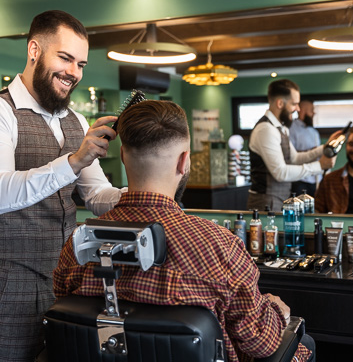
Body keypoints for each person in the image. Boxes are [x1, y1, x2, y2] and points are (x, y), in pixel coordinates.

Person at [53, 100, 314, 362]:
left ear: (122, 158)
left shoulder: (78, 246)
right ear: (184, 161)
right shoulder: (218, 246)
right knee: (303, 345)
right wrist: (276, 311)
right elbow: (262, 344)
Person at [0, 10, 125, 362]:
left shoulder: (76, 120)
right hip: (10, 278)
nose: (74, 73)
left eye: (81, 64)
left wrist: (138, 197)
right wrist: (73, 162)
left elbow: (96, 194)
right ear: (34, 49)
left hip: (70, 276)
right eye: (65, 58)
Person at [248, 79, 338, 211]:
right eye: (294, 104)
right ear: (280, 103)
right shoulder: (266, 129)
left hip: (279, 198)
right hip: (265, 201)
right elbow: (280, 172)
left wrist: (323, 148)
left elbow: (295, 159)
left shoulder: (281, 128)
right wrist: (320, 166)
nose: (298, 108)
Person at [289, 100, 322, 197]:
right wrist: (313, 152)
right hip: (300, 179)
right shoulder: (291, 129)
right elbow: (290, 154)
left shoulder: (314, 132)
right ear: (302, 111)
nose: (314, 113)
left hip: (315, 179)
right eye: (311, 110)